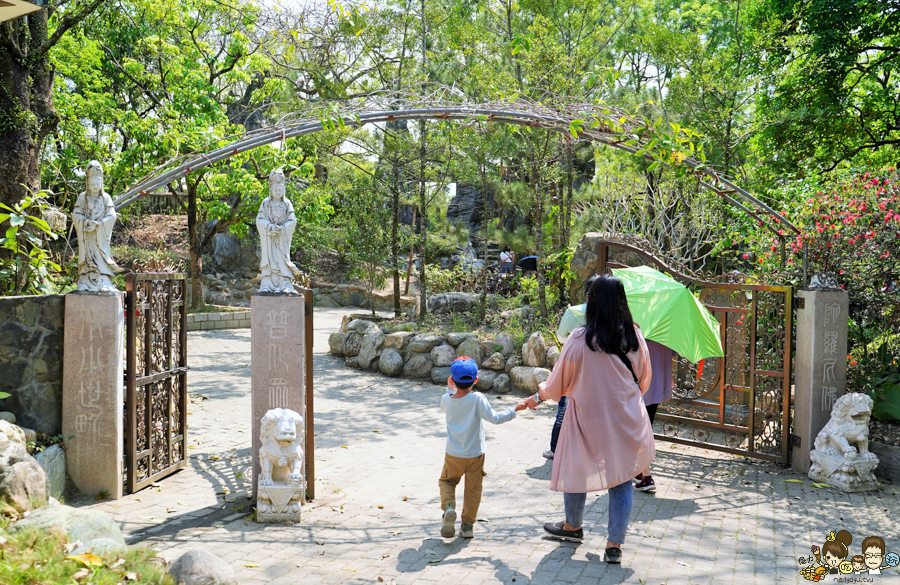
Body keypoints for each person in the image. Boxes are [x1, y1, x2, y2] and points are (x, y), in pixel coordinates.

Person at [524, 274, 654, 564]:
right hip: (627, 418)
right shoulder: (634, 335)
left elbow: (558, 386)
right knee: (621, 480)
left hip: (586, 418)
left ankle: (572, 526)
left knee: (576, 467)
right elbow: (643, 380)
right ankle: (614, 546)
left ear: (592, 302)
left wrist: (539, 395)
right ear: (622, 301)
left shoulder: (581, 339)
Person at [439, 357, 527, 540]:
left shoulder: (445, 400)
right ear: (476, 380)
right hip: (475, 454)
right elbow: (495, 418)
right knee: (473, 489)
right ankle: (468, 526)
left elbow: (449, 396)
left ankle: (448, 507)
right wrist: (514, 409)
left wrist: (450, 387)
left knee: (447, 482)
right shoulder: (477, 398)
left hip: (454, 454)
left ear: (452, 380)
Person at [543, 275, 597, 460]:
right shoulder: (609, 316)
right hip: (596, 370)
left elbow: (560, 338)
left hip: (572, 366)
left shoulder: (573, 312)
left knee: (564, 408)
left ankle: (555, 448)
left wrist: (573, 340)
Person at [72, 160, 124, 293]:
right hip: (86, 235)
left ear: (102, 184)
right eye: (92, 184)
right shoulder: (82, 198)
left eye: (97, 183)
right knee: (87, 258)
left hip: (100, 235)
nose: (95, 186)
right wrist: (86, 222)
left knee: (101, 257)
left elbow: (112, 216)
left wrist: (99, 225)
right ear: (87, 183)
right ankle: (84, 281)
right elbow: (76, 215)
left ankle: (105, 281)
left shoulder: (106, 198)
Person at [633, 340, 675, 492]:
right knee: (645, 427)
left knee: (640, 430)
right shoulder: (664, 331)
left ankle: (646, 475)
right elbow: (673, 351)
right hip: (658, 384)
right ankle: (640, 470)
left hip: (642, 386)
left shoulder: (640, 333)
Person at [257, 169, 302, 293]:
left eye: (280, 189)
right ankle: (266, 285)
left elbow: (292, 220)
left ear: (283, 190)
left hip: (282, 240)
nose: (277, 192)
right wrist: (270, 227)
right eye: (275, 189)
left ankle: (285, 285)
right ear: (271, 189)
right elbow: (260, 220)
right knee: (268, 262)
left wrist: (282, 229)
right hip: (269, 238)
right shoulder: (266, 203)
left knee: (282, 261)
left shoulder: (287, 203)